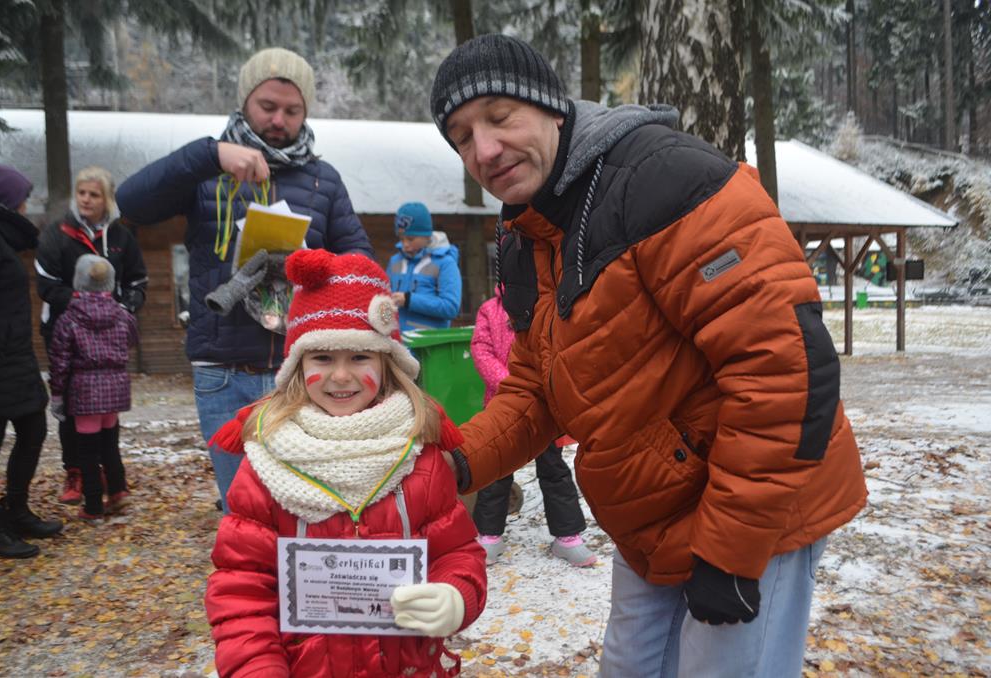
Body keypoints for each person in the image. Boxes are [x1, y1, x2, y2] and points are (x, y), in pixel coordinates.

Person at [430, 35, 868, 676]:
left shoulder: (666, 179)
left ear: (552, 107)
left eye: (500, 117)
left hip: (760, 507)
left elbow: (785, 368)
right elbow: (535, 388)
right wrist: (454, 463)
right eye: (463, 137)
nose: (485, 150)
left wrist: (731, 550)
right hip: (653, 508)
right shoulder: (528, 230)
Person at [204, 248, 486, 677]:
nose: (340, 376)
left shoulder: (417, 455)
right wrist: (257, 668)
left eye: (358, 357)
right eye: (322, 357)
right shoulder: (268, 461)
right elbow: (241, 589)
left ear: (386, 363)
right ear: (297, 366)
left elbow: (456, 551)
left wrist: (456, 595)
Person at [116, 47, 374, 513]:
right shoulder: (205, 172)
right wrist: (210, 155)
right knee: (243, 510)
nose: (279, 120)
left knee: (311, 508)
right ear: (244, 102)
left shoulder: (323, 180)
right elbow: (132, 202)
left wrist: (317, 267)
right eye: (267, 106)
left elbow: (359, 257)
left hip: (301, 372)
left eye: (292, 111)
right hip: (222, 373)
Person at [35, 166, 147, 506]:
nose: (86, 199)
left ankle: (110, 473)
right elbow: (46, 285)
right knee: (72, 406)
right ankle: (76, 471)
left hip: (108, 331)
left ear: (107, 199)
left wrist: (123, 309)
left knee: (105, 406)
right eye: (81, 193)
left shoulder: (122, 237)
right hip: (65, 329)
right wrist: (85, 304)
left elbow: (137, 281)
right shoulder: (57, 234)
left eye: (94, 194)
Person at [0, 165, 63, 558]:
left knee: (33, 429)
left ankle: (17, 511)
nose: (26, 204)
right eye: (22, 197)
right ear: (5, 200)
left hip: (13, 356)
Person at [470, 287, 595, 567]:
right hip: (503, 406)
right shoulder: (490, 310)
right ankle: (489, 534)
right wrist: (512, 386)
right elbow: (481, 349)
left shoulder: (549, 306)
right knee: (496, 470)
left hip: (543, 406)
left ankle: (568, 536)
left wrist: (541, 386)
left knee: (553, 470)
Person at [47, 254, 139, 520]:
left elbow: (60, 361)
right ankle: (118, 491)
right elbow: (132, 340)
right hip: (115, 388)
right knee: (110, 444)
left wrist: (57, 394)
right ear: (110, 282)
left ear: (78, 282)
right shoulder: (123, 316)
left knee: (87, 452)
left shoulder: (68, 319)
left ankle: (93, 506)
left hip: (85, 391)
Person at [387, 202, 462, 332]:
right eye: (401, 238)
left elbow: (451, 307)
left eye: (410, 239)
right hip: (395, 340)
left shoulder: (445, 263)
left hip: (430, 341)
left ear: (426, 236)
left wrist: (409, 300)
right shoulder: (394, 261)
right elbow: (385, 299)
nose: (405, 244)